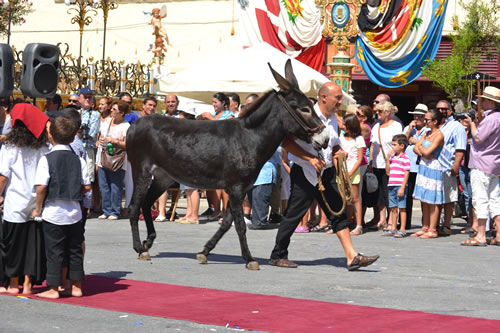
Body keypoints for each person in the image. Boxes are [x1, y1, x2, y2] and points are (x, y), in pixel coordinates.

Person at [269, 82, 379, 271]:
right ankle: (278, 254)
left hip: (326, 172)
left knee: (338, 212)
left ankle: (352, 256)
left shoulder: (334, 119)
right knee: (294, 214)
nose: (340, 101)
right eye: (337, 98)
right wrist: (309, 158)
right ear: (324, 97)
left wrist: (339, 153)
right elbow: (287, 142)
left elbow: (334, 144)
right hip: (305, 171)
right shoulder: (306, 115)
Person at [32, 116, 90, 299]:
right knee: (74, 250)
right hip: (74, 212)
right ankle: (76, 286)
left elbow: (41, 187)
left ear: (50, 135)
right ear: (73, 138)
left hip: (53, 211)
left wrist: (38, 208)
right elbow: (87, 186)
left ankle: (53, 287)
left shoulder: (46, 159)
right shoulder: (78, 159)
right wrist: (75, 193)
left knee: (54, 251)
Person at [0, 103, 50, 294]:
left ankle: (13, 284)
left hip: (15, 201)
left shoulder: (10, 147)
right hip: (37, 201)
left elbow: (3, 176)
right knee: (33, 246)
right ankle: (28, 283)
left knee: (13, 244)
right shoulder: (43, 146)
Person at [461, 86, 500, 246]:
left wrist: (472, 125)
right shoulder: (497, 117)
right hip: (494, 163)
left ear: (490, 102)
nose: (480, 102)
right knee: (495, 199)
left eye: (483, 100)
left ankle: (481, 235)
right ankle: (498, 234)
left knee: (481, 199)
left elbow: (478, 138)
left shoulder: (491, 119)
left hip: (482, 163)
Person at [368, 101, 403, 230]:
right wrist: (371, 161)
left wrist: (390, 156)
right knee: (378, 193)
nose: (377, 114)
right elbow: (372, 145)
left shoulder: (396, 126)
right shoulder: (376, 126)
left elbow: (399, 145)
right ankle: (382, 219)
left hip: (390, 163)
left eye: (380, 112)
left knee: (389, 193)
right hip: (377, 163)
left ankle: (391, 220)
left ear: (387, 113)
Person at [412, 109, 445, 239]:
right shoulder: (426, 133)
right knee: (424, 198)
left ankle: (432, 228)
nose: (424, 121)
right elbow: (416, 149)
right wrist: (423, 150)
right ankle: (425, 226)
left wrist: (423, 150)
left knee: (433, 199)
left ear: (435, 121)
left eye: (427, 120)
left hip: (434, 167)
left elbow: (428, 151)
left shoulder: (439, 135)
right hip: (424, 165)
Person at [436, 100, 466, 236]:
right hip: (434, 167)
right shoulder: (436, 125)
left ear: (450, 110)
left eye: (443, 109)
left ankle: (446, 225)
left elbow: (460, 148)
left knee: (448, 198)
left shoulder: (456, 126)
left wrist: (456, 165)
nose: (441, 111)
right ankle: (434, 224)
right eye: (438, 109)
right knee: (435, 198)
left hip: (448, 166)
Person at [96, 101, 130, 220]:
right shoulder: (107, 122)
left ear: (122, 113)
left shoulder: (126, 126)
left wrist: (114, 141)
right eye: (112, 109)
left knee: (115, 186)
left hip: (118, 160)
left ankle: (115, 211)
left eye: (114, 110)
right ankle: (106, 210)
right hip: (104, 157)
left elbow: (127, 144)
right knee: (103, 186)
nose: (111, 111)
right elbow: (101, 135)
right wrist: (100, 140)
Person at [403, 104, 429, 229]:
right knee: (407, 196)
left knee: (423, 195)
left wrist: (413, 141)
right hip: (408, 167)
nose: (417, 118)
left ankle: (426, 223)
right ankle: (405, 222)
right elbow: (401, 141)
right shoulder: (409, 128)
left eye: (420, 116)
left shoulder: (428, 130)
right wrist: (409, 131)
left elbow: (425, 143)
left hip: (421, 167)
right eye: (415, 115)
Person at [174, 104, 201, 224]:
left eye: (181, 113)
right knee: (187, 189)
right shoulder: (184, 128)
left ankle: (194, 215)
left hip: (192, 160)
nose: (179, 115)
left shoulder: (193, 128)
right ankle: (189, 214)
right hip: (184, 160)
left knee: (193, 188)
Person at [339, 114, 365, 235]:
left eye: (345, 124)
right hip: (341, 171)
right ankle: (346, 222)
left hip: (353, 172)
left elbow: (360, 159)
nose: (343, 126)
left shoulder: (359, 139)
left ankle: (358, 225)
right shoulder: (341, 137)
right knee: (343, 198)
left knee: (355, 198)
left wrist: (350, 173)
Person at [384, 134, 410, 237]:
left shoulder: (405, 158)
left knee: (402, 207)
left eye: (394, 145)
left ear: (402, 146)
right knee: (393, 207)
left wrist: (403, 187)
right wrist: (387, 159)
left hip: (400, 185)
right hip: (392, 184)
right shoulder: (392, 157)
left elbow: (407, 172)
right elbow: (387, 172)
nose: (393, 147)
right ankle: (393, 227)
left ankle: (402, 228)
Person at [78, 87, 100, 185]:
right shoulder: (77, 113)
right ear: (79, 99)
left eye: (90, 97)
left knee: (87, 179)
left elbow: (91, 133)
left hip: (87, 149)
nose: (88, 99)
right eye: (85, 97)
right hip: (76, 148)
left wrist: (78, 131)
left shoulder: (95, 114)